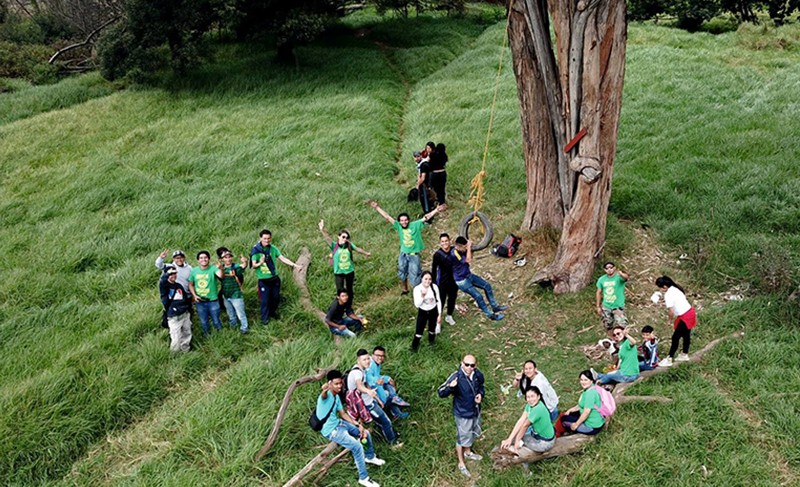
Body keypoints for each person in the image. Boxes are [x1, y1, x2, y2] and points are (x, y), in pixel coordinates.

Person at [315, 369, 385, 487]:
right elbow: (323, 395)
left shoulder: (336, 397)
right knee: (357, 446)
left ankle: (370, 456)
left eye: (340, 383)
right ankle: (364, 478)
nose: (339, 386)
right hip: (332, 431)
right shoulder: (325, 397)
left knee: (366, 433)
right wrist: (324, 390)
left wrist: (357, 424)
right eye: (336, 384)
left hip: (339, 423)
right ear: (330, 383)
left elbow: (343, 414)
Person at [368, 200, 440, 294]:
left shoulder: (415, 225)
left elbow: (425, 218)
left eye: (406, 220)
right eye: (402, 220)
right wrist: (377, 207)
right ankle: (405, 290)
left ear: (408, 220)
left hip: (414, 256)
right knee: (402, 273)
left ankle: (418, 293)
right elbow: (387, 217)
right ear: (399, 221)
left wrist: (436, 210)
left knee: (415, 276)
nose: (404, 222)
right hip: (403, 254)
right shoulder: (399, 226)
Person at [437, 354, 485, 478]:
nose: (469, 367)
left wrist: (480, 394)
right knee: (461, 437)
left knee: (471, 432)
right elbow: (441, 392)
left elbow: (481, 386)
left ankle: (468, 453)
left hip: (475, 410)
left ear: (476, 365)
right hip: (462, 413)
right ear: (461, 363)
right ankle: (461, 463)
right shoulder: (456, 377)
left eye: (472, 365)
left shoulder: (477, 374)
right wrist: (450, 387)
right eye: (466, 364)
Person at [348, 349, 402, 447]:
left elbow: (367, 384)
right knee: (386, 422)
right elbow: (359, 385)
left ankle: (391, 435)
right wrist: (369, 392)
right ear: (358, 361)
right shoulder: (357, 373)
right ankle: (393, 443)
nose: (367, 361)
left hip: (371, 401)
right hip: (367, 405)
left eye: (368, 359)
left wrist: (377, 399)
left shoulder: (363, 370)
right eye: (364, 360)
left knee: (382, 421)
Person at [448, 237, 507, 321]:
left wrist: (470, 248)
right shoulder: (454, 254)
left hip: (468, 275)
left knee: (487, 286)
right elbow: (468, 260)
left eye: (466, 247)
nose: (465, 249)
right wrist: (468, 247)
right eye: (464, 247)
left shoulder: (462, 250)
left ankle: (495, 307)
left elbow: (470, 257)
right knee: (478, 296)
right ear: (458, 246)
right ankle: (490, 315)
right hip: (462, 281)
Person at [250, 230, 301, 326]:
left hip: (274, 278)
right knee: (264, 301)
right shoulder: (256, 251)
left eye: (269, 238)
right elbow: (254, 265)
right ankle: (264, 319)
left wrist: (295, 265)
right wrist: (260, 262)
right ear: (260, 238)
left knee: (275, 298)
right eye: (265, 238)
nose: (267, 240)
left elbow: (282, 258)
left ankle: (272, 313)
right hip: (263, 280)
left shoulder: (273, 248)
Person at [318, 220, 371, 306]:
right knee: (340, 290)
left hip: (349, 271)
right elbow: (327, 238)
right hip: (339, 272)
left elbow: (357, 249)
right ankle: (340, 306)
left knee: (349, 289)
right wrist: (322, 230)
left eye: (346, 238)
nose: (344, 239)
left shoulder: (349, 245)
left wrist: (366, 253)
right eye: (343, 237)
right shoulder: (334, 245)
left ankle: (349, 306)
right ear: (338, 236)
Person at [500, 386, 556, 456]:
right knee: (516, 438)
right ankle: (510, 443)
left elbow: (525, 425)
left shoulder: (538, 409)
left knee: (520, 441)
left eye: (532, 396)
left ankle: (523, 455)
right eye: (528, 397)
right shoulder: (529, 406)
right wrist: (509, 438)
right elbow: (521, 420)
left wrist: (517, 440)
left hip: (545, 442)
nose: (530, 399)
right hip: (537, 435)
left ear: (538, 396)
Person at [655, 276, 696, 367]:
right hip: (690, 312)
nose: (660, 290)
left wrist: (669, 321)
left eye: (660, 287)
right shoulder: (676, 288)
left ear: (664, 287)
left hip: (685, 316)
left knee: (675, 337)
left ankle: (669, 358)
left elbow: (671, 311)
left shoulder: (668, 295)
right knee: (686, 335)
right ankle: (684, 354)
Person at [366, 346, 410, 420]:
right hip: (370, 390)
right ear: (372, 355)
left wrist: (387, 378)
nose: (380, 358)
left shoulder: (376, 363)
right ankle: (397, 411)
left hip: (375, 385)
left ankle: (395, 399)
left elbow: (376, 375)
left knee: (389, 385)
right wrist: (377, 381)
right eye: (378, 355)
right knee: (388, 395)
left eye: (382, 356)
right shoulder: (370, 364)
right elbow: (369, 377)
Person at [188, 251, 224, 337]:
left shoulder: (213, 268)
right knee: (204, 321)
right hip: (200, 301)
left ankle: (220, 336)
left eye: (205, 257)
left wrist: (221, 268)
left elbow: (221, 276)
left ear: (209, 259)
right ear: (198, 260)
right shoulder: (194, 271)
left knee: (216, 320)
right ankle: (207, 336)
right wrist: (194, 295)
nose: (203, 259)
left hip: (213, 300)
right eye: (201, 258)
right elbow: (190, 284)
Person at [560, 370, 605, 435]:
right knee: (571, 414)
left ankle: (570, 432)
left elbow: (586, 412)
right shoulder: (591, 388)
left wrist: (576, 424)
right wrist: (571, 410)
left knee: (563, 419)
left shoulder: (590, 394)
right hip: (597, 420)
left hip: (592, 426)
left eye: (585, 380)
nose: (583, 382)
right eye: (581, 380)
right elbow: (582, 405)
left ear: (591, 380)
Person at [160, 267, 192, 352]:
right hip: (174, 316)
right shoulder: (165, 287)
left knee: (187, 333)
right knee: (176, 337)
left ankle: (185, 350)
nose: (173, 275)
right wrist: (167, 273)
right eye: (171, 274)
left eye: (174, 273)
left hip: (184, 313)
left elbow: (185, 298)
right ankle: (174, 354)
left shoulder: (178, 285)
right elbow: (162, 282)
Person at [219, 250, 249, 335]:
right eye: (225, 257)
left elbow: (243, 266)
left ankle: (244, 328)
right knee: (230, 313)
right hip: (225, 294)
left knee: (240, 313)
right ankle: (233, 326)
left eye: (229, 257)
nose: (228, 259)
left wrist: (245, 261)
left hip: (236, 294)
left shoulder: (236, 266)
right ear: (222, 259)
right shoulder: (221, 268)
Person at [411, 271, 442, 351]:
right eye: (425, 279)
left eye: (429, 279)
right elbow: (417, 305)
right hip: (423, 311)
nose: (427, 281)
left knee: (432, 330)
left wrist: (439, 314)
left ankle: (431, 344)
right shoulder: (417, 289)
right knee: (419, 332)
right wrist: (422, 296)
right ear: (422, 279)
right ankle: (414, 348)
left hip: (433, 310)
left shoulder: (434, 287)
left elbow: (438, 301)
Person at [431, 233, 458, 326]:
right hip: (443, 281)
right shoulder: (437, 255)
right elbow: (434, 270)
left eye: (446, 241)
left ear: (449, 241)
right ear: (440, 243)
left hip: (454, 280)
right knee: (440, 301)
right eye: (442, 241)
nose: (445, 243)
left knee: (452, 298)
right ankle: (438, 322)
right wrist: (433, 284)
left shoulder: (455, 250)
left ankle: (449, 316)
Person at [596, 261, 630, 331]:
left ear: (614, 268)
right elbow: (598, 292)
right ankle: (611, 340)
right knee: (607, 326)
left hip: (618, 307)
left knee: (622, 326)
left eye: (611, 267)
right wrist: (598, 306)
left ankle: (623, 340)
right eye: (607, 268)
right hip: (606, 306)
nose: (609, 269)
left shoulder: (619, 277)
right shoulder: (601, 279)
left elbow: (626, 278)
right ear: (604, 270)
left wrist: (621, 274)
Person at [428, 142, 449, 209]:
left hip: (434, 174)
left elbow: (428, 162)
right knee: (442, 188)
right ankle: (442, 202)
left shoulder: (432, 155)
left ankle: (436, 199)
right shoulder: (444, 155)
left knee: (434, 187)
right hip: (442, 173)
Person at [414, 151, 433, 216]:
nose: (416, 158)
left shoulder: (423, 165)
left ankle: (428, 217)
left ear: (421, 156)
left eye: (418, 156)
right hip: (425, 185)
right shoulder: (421, 164)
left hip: (425, 186)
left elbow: (423, 177)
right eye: (415, 157)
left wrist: (417, 185)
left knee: (426, 202)